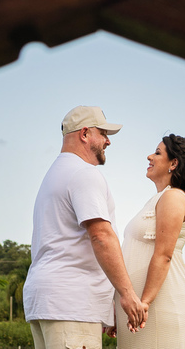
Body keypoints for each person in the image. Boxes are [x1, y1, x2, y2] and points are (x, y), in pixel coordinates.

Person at [24, 106, 149, 349]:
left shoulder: (54, 175)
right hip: (71, 303)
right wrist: (127, 294)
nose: (108, 141)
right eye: (103, 133)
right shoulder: (83, 174)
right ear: (84, 134)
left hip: (48, 301)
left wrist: (105, 305)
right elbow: (101, 236)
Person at [115, 134, 185, 349]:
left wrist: (144, 303)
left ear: (173, 163)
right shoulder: (158, 199)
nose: (149, 156)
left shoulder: (173, 197)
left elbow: (164, 255)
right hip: (139, 310)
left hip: (162, 308)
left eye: (157, 153)